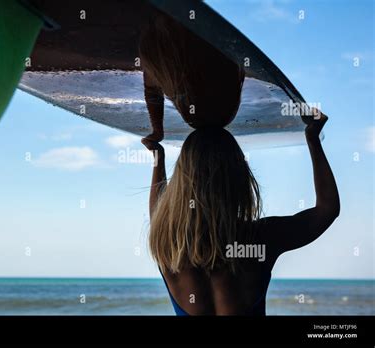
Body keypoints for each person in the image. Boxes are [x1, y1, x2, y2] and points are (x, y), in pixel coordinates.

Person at [142, 110, 339, 315]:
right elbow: (327, 209)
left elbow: (158, 214)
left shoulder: (169, 247)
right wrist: (313, 139)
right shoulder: (260, 238)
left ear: (181, 182)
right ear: (239, 179)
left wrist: (158, 158)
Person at [139, 12, 245, 142]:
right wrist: (157, 131)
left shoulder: (221, 38)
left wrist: (157, 131)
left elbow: (152, 90)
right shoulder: (164, 54)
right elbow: (152, 90)